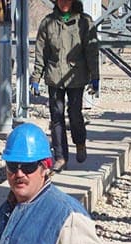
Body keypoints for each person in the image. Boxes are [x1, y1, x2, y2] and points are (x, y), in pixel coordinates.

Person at [30, 0, 100, 172]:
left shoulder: (84, 22)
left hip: (76, 76)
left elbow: (91, 51)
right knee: (56, 117)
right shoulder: (48, 23)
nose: (64, 3)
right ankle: (60, 156)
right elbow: (41, 53)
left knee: (74, 112)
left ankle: (80, 142)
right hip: (55, 77)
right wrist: (36, 78)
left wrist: (95, 77)